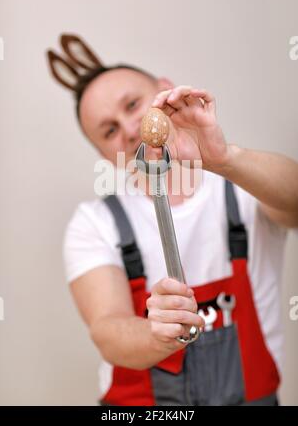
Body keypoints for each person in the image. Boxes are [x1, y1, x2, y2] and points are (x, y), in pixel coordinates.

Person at [46, 34, 298, 406]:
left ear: (165, 90)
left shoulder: (242, 186)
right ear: (103, 154)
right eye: (109, 131)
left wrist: (224, 159)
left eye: (132, 105)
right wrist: (155, 334)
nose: (130, 130)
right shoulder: (94, 223)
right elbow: (107, 330)